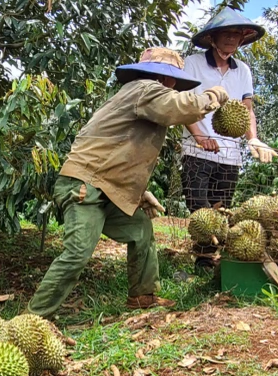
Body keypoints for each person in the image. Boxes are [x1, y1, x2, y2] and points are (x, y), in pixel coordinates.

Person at [27, 47, 228, 319]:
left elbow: (121, 151)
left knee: (140, 229)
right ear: (165, 78)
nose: (172, 84)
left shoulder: (140, 96)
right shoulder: (145, 89)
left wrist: (139, 192)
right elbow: (181, 107)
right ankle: (34, 318)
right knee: (77, 253)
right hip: (85, 185)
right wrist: (213, 95)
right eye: (171, 79)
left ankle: (143, 296)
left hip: (105, 185)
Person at [180, 8, 277, 217]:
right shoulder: (192, 64)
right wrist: (199, 137)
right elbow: (183, 104)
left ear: (242, 39)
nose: (231, 38)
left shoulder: (243, 70)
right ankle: (204, 248)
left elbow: (246, 110)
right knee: (199, 209)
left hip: (230, 155)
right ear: (212, 37)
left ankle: (209, 249)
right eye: (226, 33)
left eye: (236, 34)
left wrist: (253, 139)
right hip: (196, 152)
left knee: (221, 211)